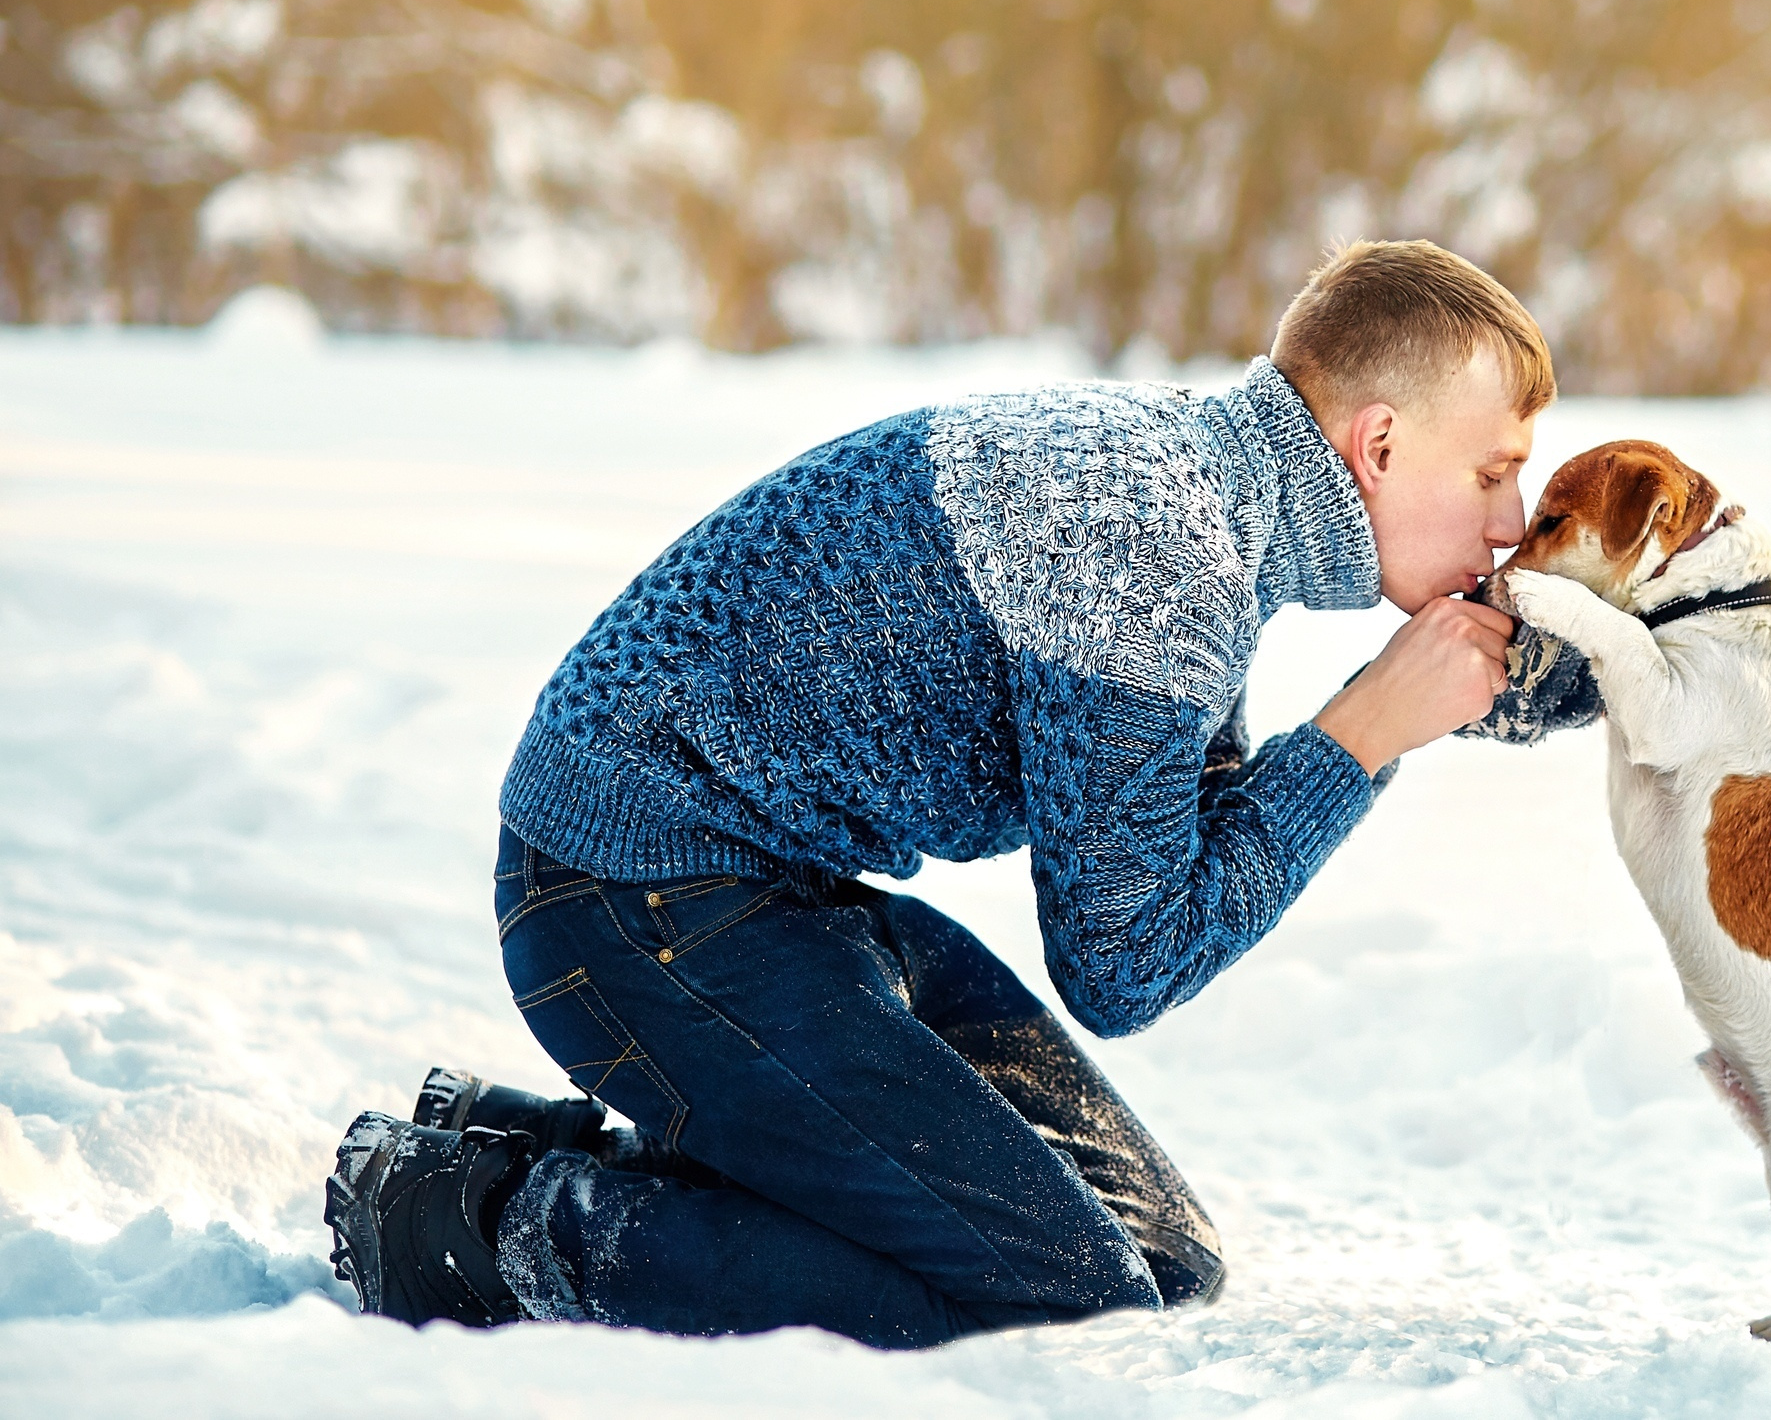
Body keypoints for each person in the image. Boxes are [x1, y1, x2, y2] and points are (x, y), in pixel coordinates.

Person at [323, 238, 1557, 1345]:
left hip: (771, 895)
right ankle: (476, 1222)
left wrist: (1509, 691)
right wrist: (1366, 733)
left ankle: (514, 1133)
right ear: (1378, 443)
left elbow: (1181, 838)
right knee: (1053, 1301)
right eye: (1494, 473)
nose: (1508, 523)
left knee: (1162, 1261)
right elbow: (1125, 963)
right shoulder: (1150, 544)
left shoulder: (1200, 498)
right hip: (629, 895)